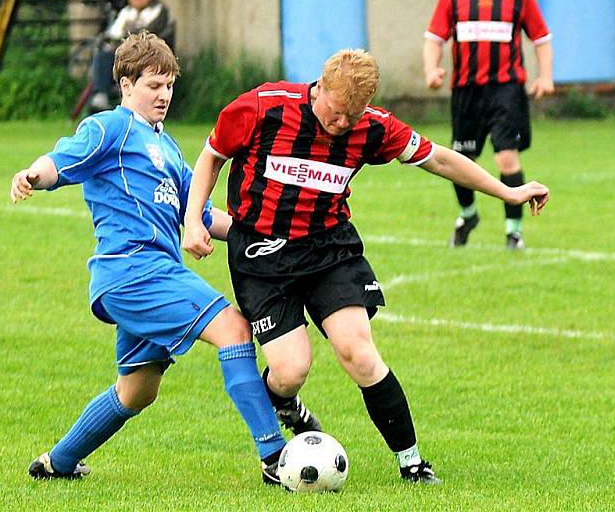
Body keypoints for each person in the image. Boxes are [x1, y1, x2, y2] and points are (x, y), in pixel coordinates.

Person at [182, 49, 550, 485]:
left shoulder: (372, 127)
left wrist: (507, 193)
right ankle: (284, 405)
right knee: (290, 370)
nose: (341, 125)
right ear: (320, 87)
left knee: (357, 349)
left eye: (350, 118)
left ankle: (412, 463)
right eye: (336, 113)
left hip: (328, 250)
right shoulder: (263, 106)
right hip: (261, 255)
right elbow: (211, 156)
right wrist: (193, 218)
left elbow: (440, 158)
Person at [10, 31, 286, 485]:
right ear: (126, 85)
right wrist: (32, 175)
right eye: (153, 85)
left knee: (138, 391)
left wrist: (256, 231)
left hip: (148, 274)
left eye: (169, 85)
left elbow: (194, 212)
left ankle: (56, 464)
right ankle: (276, 458)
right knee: (233, 328)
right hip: (134, 270)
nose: (164, 95)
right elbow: (61, 160)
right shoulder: (109, 128)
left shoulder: (167, 146)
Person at [423, 0, 554, 250]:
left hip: (506, 90)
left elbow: (541, 39)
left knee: (507, 158)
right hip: (466, 92)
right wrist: (431, 69)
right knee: (460, 159)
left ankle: (514, 231)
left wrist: (545, 76)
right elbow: (434, 38)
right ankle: (468, 215)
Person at [89, 0, 177, 111]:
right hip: (127, 54)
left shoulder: (160, 11)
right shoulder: (126, 12)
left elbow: (150, 35)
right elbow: (113, 33)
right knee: (103, 54)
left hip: (153, 56)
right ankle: (101, 94)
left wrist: (125, 38)